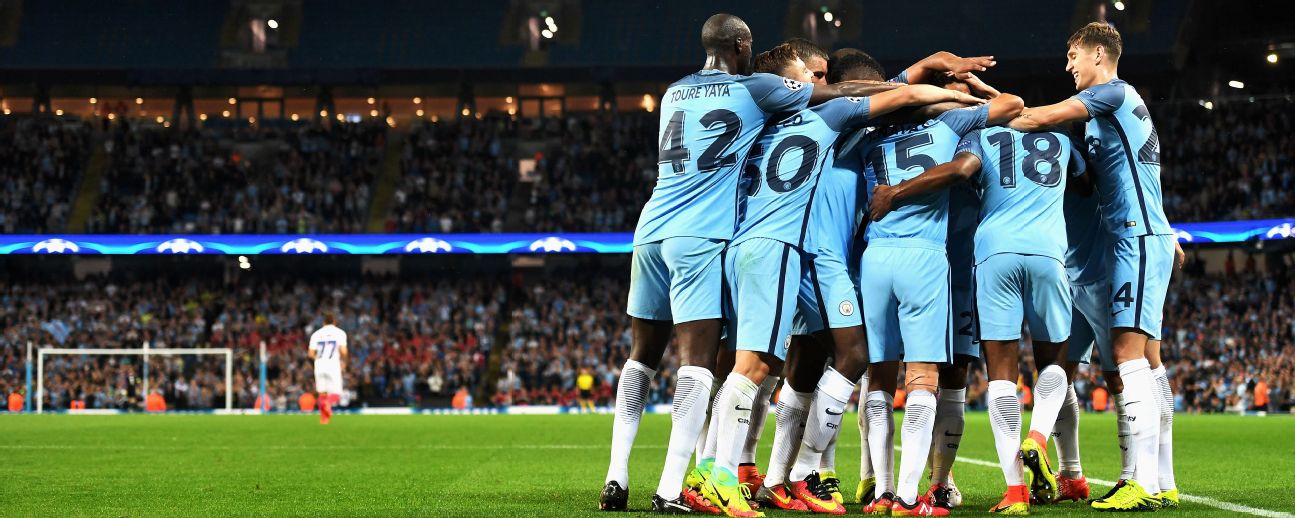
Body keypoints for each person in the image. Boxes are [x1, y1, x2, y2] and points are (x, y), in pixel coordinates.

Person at [602, 12, 925, 514]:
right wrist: (928, 80)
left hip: (654, 226)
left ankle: (623, 476)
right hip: (716, 238)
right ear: (741, 44)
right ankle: (692, 482)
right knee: (713, 365)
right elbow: (843, 96)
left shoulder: (674, 92)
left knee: (647, 357)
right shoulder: (759, 91)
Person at [699, 44, 985, 518]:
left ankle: (749, 471)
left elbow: (882, 89)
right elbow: (890, 95)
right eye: (814, 75)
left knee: (786, 363)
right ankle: (798, 469)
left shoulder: (787, 119)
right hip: (821, 254)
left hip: (776, 247)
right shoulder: (840, 119)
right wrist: (958, 95)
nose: (822, 82)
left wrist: (928, 65)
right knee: (849, 354)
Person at [871, 118, 1088, 514]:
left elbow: (962, 170)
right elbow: (1088, 183)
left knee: (1000, 373)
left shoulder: (980, 135)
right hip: (1049, 251)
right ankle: (1038, 439)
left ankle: (1016, 491)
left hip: (990, 253)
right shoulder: (1062, 139)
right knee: (1055, 361)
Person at [1008, 22, 1178, 511]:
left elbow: (1044, 118)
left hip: (1136, 239)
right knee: (1144, 361)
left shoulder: (1112, 93)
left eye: (1073, 56)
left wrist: (986, 118)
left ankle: (1141, 482)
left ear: (1098, 53)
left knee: (1129, 358)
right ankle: (1160, 480)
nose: (1068, 66)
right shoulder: (1109, 115)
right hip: (1137, 238)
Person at [855, 74, 1022, 516]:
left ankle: (885, 489)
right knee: (928, 379)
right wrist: (961, 91)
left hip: (876, 257)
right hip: (931, 260)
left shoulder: (869, 140)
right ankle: (913, 496)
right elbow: (1010, 105)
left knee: (878, 378)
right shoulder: (951, 128)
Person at [308, 313, 348, 426]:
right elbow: (344, 352)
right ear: (334, 322)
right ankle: (328, 404)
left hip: (319, 365)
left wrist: (319, 359)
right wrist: (344, 363)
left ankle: (324, 420)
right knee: (336, 394)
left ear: (323, 322)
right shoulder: (340, 333)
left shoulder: (316, 334)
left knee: (322, 393)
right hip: (333, 365)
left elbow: (310, 354)